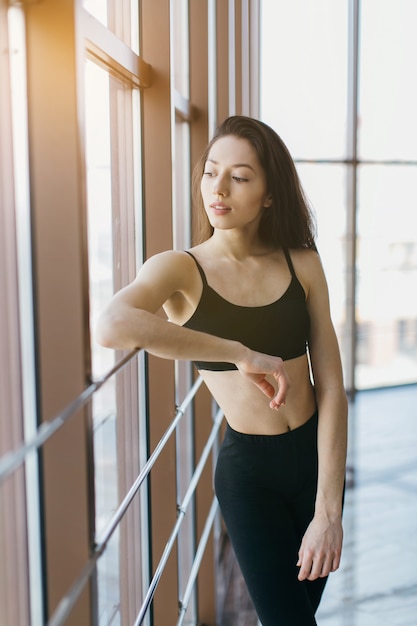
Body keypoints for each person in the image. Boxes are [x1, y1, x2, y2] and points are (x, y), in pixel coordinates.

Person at [96, 115, 348, 625]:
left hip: (315, 461)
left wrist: (329, 513)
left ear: (270, 194)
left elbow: (334, 390)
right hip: (249, 476)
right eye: (211, 172)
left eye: (240, 176)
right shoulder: (180, 268)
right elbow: (112, 324)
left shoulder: (302, 263)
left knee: (299, 612)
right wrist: (237, 351)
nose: (219, 188)